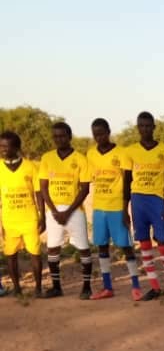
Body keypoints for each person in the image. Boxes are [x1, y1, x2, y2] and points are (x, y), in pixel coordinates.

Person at [123, 112, 164, 300]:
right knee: (144, 243)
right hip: (138, 200)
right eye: (142, 126)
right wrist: (125, 209)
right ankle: (154, 287)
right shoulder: (130, 151)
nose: (145, 129)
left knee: (162, 242)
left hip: (157, 200)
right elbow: (126, 181)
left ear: (154, 127)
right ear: (138, 128)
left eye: (148, 126)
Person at [86, 118, 142, 300]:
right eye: (95, 134)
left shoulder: (122, 153)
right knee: (102, 246)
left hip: (117, 206)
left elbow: (127, 182)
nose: (99, 137)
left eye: (102, 133)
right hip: (99, 207)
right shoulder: (91, 154)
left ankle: (135, 285)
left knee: (126, 246)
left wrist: (126, 209)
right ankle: (107, 287)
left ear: (109, 132)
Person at [39, 122, 92, 298]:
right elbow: (43, 188)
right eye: (55, 136)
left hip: (75, 210)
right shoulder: (47, 158)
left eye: (62, 136)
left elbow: (85, 189)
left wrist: (68, 212)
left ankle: (86, 287)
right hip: (53, 211)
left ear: (69, 137)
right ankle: (56, 287)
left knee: (83, 248)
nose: (58, 139)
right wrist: (54, 211)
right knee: (53, 248)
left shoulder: (80, 159)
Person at [0, 131, 45, 296]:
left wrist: (43, 216)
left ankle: (38, 288)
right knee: (10, 255)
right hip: (9, 220)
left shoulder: (30, 166)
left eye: (6, 146)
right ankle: (17, 289)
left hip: (29, 218)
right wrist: (1, 224)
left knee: (35, 253)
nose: (3, 149)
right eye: (1, 146)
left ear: (17, 147)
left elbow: (39, 193)